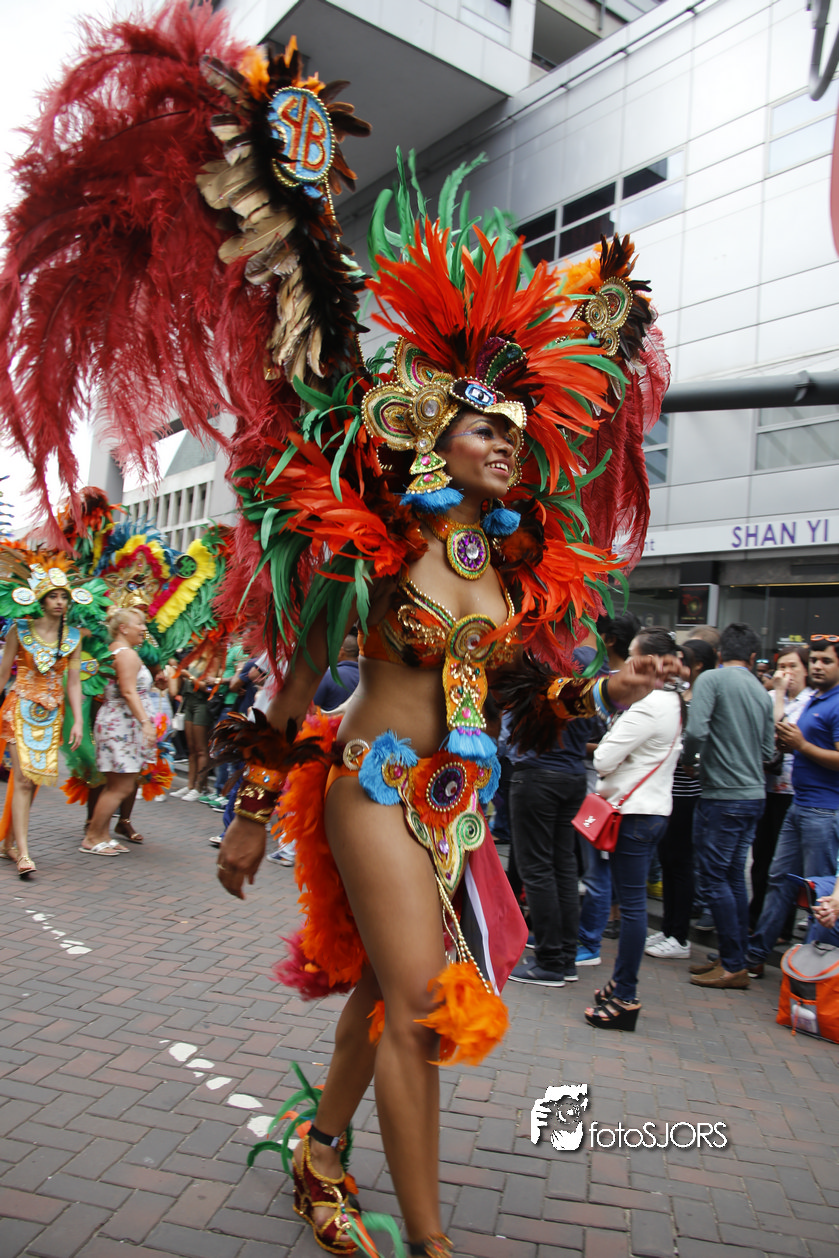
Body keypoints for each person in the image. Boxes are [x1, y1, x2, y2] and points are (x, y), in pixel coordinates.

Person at [0, 16, 672, 1254]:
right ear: (431, 435)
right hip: (370, 786)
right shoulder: (367, 544)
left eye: (515, 431)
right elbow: (298, 677)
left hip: (457, 805)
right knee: (419, 1005)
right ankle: (429, 1241)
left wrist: (591, 690)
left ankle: (320, 1150)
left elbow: (510, 692)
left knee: (381, 988)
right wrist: (251, 811)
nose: (506, 442)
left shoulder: (506, 566)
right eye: (482, 425)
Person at [583, 627, 683, 1030]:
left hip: (634, 814)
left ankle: (625, 995)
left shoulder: (649, 704)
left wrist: (614, 741)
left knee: (632, 908)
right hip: (652, 811)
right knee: (633, 904)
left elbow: (604, 759)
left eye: (632, 655)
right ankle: (620, 985)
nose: (626, 663)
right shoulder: (672, 701)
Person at [684, 623, 774, 990]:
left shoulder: (712, 680)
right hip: (754, 795)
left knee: (715, 878)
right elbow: (768, 751)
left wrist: (692, 762)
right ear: (752, 657)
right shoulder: (762, 691)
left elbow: (695, 732)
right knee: (734, 876)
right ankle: (732, 955)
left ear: (720, 654)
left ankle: (733, 964)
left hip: (722, 795)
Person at [745, 635, 839, 978]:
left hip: (824, 812)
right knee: (778, 880)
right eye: (814, 660)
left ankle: (814, 973)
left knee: (820, 895)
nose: (817, 666)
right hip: (800, 805)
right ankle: (756, 956)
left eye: (826, 661)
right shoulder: (816, 698)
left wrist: (801, 745)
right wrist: (790, 743)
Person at [507, 643, 596, 987]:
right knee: (563, 868)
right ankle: (564, 958)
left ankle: (549, 961)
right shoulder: (587, 661)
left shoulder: (545, 660)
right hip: (572, 774)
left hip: (538, 774)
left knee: (538, 869)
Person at [0, 566, 85, 876]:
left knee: (32, 781)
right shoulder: (19, 630)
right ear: (42, 599)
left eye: (64, 596)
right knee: (23, 779)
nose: (60, 602)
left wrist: (78, 720)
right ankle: (23, 853)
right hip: (19, 709)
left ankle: (9, 842)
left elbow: (73, 682)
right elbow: (3, 674)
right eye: (53, 596)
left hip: (51, 716)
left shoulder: (74, 638)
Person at [575, 612, 640, 967]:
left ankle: (589, 942)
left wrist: (576, 747)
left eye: (592, 633)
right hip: (598, 788)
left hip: (605, 792)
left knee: (597, 872)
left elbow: (610, 748)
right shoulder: (609, 679)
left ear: (609, 639)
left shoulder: (621, 686)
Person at [646, 636, 717, 960]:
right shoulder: (676, 695)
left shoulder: (700, 697)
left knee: (680, 861)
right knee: (669, 859)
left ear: (695, 666)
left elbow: (698, 741)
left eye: (681, 662)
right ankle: (669, 928)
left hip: (687, 792)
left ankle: (680, 936)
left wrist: (691, 761)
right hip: (667, 789)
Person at [81, 607, 156, 856]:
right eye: (139, 624)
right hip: (122, 724)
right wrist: (145, 722)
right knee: (120, 787)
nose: (144, 628)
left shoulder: (114, 650)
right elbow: (128, 691)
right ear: (123, 628)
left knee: (114, 784)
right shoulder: (127, 654)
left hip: (117, 722)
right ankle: (92, 837)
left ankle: (102, 835)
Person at [748, 644, 813, 932]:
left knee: (786, 862)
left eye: (793, 666)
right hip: (766, 787)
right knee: (761, 857)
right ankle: (756, 918)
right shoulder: (768, 697)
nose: (786, 673)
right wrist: (776, 695)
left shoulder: (812, 701)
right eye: (782, 666)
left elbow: (781, 734)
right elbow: (762, 738)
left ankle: (782, 926)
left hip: (795, 792)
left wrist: (779, 699)